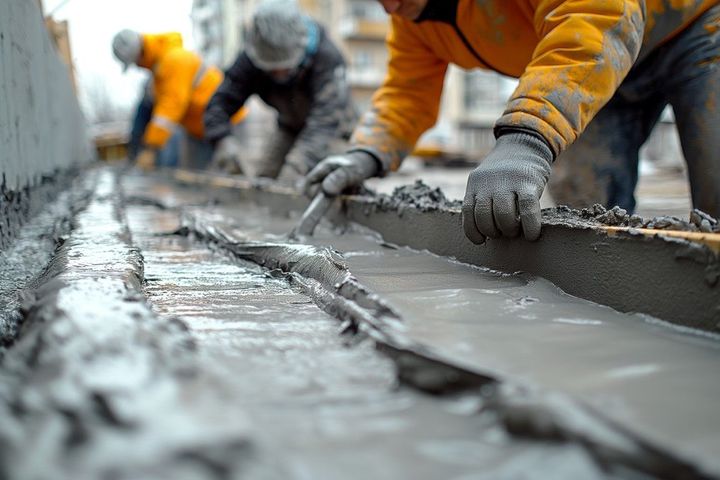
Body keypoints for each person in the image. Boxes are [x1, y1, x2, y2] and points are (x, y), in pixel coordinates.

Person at [303, 0, 720, 244]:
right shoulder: (413, 22)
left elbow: (595, 15)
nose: (390, 6)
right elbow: (406, 93)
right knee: (586, 215)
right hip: (598, 73)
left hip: (694, 31)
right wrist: (366, 153)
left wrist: (528, 136)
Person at [203, 0, 358, 181]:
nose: (278, 73)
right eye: (271, 69)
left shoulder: (326, 57)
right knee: (264, 181)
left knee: (323, 181)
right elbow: (219, 104)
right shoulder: (251, 58)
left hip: (336, 131)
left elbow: (326, 120)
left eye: (285, 67)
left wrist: (298, 164)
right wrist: (222, 141)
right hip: (289, 127)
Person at [112, 30, 246, 170]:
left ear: (140, 55)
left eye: (135, 63)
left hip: (229, 122)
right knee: (195, 179)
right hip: (200, 130)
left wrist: (151, 148)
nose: (137, 67)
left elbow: (171, 107)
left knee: (236, 176)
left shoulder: (173, 60)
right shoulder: (158, 71)